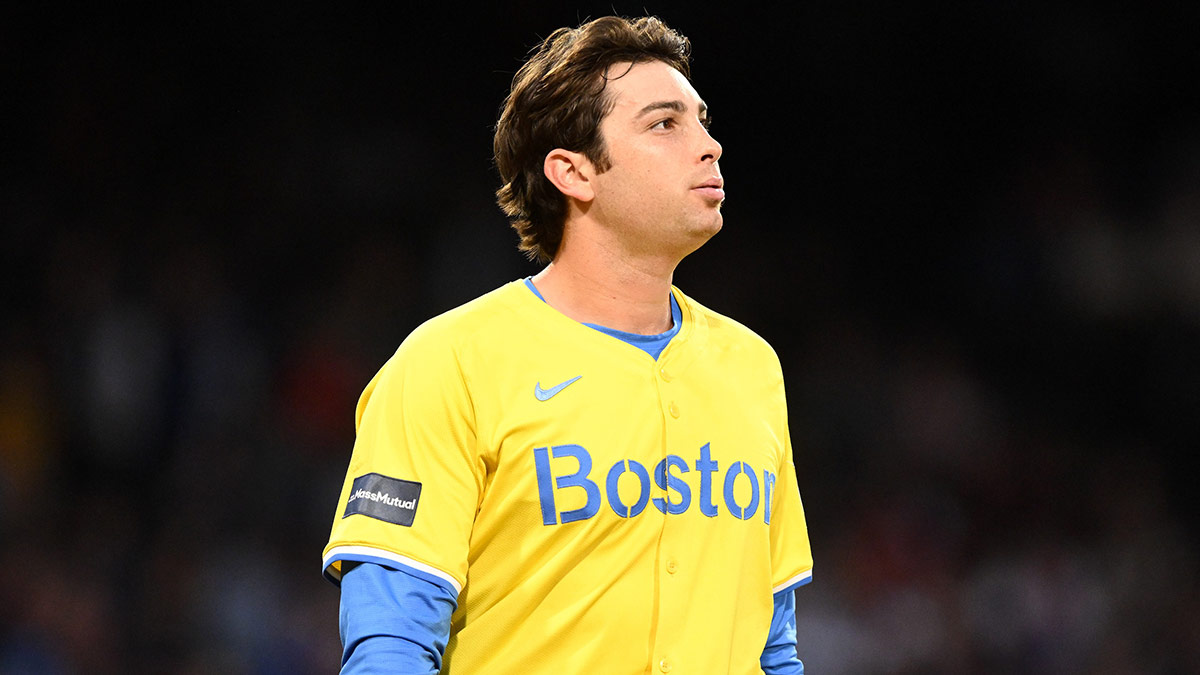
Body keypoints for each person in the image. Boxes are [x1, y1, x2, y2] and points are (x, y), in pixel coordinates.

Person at [322, 15, 813, 674]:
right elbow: (391, 640)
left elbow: (772, 642)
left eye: (703, 119)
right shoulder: (449, 361)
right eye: (665, 124)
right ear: (574, 172)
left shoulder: (752, 366)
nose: (710, 145)